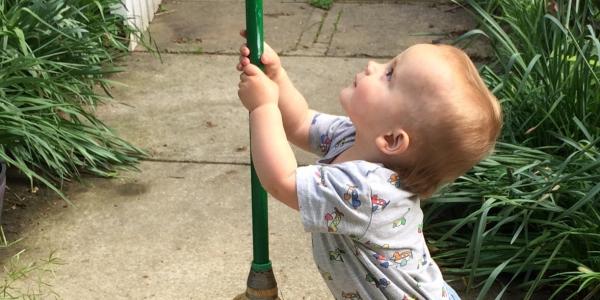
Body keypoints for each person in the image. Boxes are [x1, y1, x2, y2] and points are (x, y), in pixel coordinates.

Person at [236, 30, 502, 299]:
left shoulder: (368, 190)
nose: (373, 66)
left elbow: (280, 181)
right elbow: (302, 122)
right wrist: (277, 77)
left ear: (392, 138)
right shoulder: (355, 136)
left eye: (389, 75)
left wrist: (263, 107)